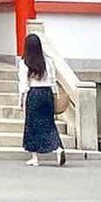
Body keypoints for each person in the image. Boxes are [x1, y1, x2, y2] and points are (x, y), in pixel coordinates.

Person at [19, 32, 66, 166]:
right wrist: (55, 94)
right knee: (49, 123)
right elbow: (53, 79)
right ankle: (58, 148)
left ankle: (35, 157)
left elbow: (23, 84)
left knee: (32, 125)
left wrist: (21, 100)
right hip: (47, 93)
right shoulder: (48, 61)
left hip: (34, 93)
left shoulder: (25, 62)